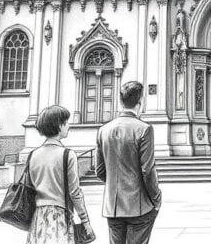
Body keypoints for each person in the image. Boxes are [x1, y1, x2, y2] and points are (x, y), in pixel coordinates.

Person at [96, 81, 162, 244]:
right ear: (141, 101)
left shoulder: (103, 130)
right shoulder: (144, 129)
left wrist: (115, 186)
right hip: (139, 206)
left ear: (121, 101)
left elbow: (100, 171)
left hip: (113, 207)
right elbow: (147, 171)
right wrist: (156, 198)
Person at [26, 105, 95, 244]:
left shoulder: (33, 155)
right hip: (59, 217)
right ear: (59, 125)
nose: (69, 126)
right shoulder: (68, 155)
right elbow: (74, 192)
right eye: (66, 122)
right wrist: (85, 220)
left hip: (38, 218)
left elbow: (29, 188)